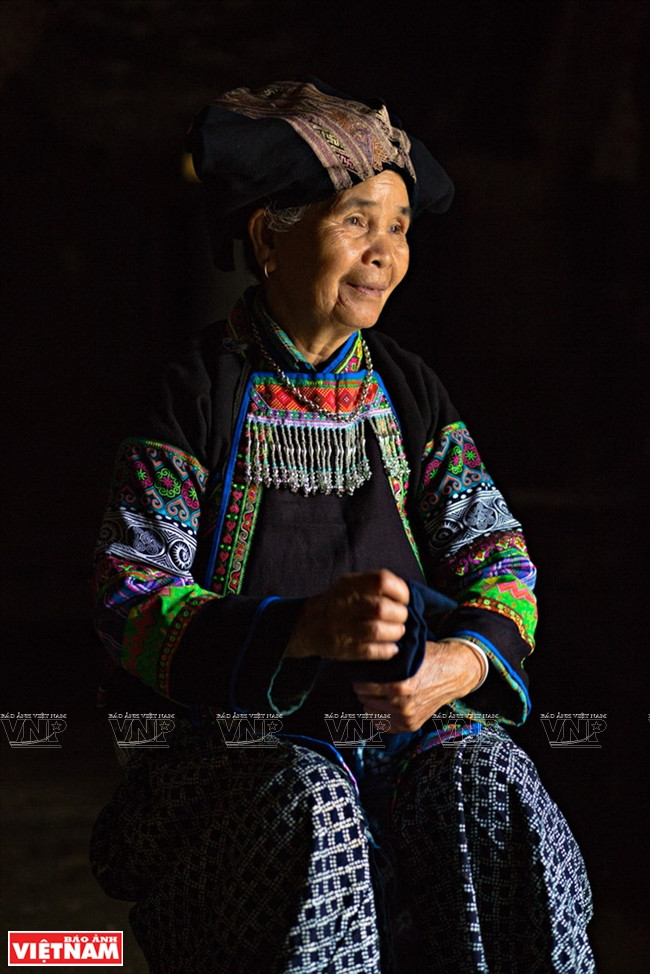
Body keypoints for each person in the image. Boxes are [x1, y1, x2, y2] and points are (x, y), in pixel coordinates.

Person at [91, 79, 595, 973]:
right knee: (312, 799)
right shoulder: (195, 394)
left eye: (399, 227)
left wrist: (458, 664)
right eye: (357, 220)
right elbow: (132, 593)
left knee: (490, 781)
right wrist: (300, 631)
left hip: (403, 733)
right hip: (239, 746)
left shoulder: (409, 390)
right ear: (269, 239)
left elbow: (499, 557)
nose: (385, 252)